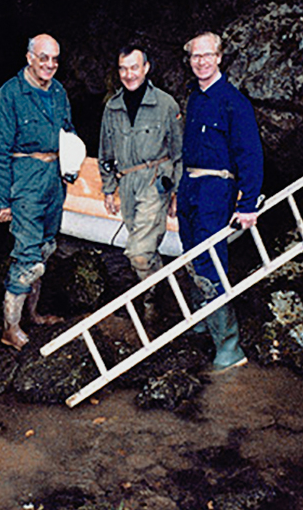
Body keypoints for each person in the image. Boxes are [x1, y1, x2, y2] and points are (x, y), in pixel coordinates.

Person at [177, 31, 264, 372]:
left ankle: (229, 347)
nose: (201, 62)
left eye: (207, 55)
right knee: (190, 253)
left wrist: (248, 205)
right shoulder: (195, 99)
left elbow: (250, 155)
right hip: (190, 187)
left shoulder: (234, 102)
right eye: (195, 56)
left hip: (216, 189)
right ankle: (204, 321)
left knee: (210, 261)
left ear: (219, 57)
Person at [0, 33, 74, 350]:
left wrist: (72, 164)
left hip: (54, 178)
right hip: (24, 180)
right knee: (27, 255)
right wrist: (2, 200)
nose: (49, 64)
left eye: (54, 59)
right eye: (43, 57)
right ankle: (10, 328)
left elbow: (68, 131)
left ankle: (32, 314)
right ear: (29, 57)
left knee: (46, 248)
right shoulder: (9, 95)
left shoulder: (59, 91)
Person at [98, 44, 183, 321]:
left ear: (146, 68)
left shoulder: (166, 104)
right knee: (144, 248)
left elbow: (180, 153)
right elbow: (105, 153)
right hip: (127, 184)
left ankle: (151, 297)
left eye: (134, 67)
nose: (129, 74)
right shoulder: (112, 107)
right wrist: (109, 188)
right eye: (123, 68)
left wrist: (176, 193)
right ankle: (161, 287)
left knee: (137, 251)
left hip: (156, 181)